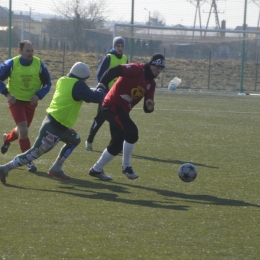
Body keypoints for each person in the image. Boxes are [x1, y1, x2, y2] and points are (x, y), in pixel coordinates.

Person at [0, 62, 108, 185]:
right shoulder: (78, 86)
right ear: (83, 78)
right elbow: (96, 97)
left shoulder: (63, 80)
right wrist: (102, 88)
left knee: (74, 140)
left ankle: (56, 168)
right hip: (54, 127)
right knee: (34, 153)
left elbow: (84, 91)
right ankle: (5, 168)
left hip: (55, 123)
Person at [88, 54, 165, 181]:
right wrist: (102, 84)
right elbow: (113, 71)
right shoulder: (136, 69)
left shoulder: (151, 83)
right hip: (110, 105)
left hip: (122, 110)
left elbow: (147, 108)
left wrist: (150, 105)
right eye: (157, 67)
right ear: (150, 64)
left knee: (117, 143)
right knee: (132, 132)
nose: (159, 71)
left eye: (161, 69)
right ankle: (126, 166)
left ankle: (96, 169)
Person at [0, 40, 52, 173]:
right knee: (23, 129)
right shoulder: (11, 64)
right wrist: (7, 94)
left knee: (22, 130)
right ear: (20, 51)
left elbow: (48, 84)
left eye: (32, 51)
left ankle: (7, 139)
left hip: (31, 103)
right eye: (27, 51)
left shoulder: (39, 64)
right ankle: (28, 161)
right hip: (16, 102)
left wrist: (39, 95)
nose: (30, 53)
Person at [85, 36, 128, 151]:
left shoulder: (125, 58)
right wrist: (104, 90)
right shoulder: (108, 57)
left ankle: (114, 145)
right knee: (100, 118)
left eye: (122, 46)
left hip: (118, 95)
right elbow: (100, 75)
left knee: (116, 120)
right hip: (106, 94)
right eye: (118, 46)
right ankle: (89, 140)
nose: (120, 48)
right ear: (114, 46)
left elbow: (126, 76)